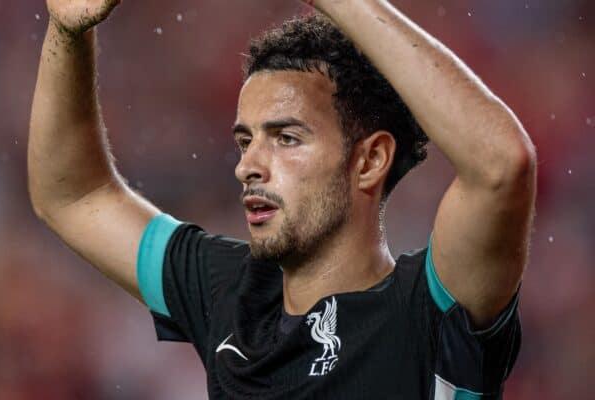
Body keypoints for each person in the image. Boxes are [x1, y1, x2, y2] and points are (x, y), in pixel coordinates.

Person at [28, 0, 536, 398]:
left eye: (286, 138)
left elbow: (500, 166)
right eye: (245, 140)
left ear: (369, 161)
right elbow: (73, 195)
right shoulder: (234, 293)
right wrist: (66, 33)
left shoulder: (429, 313)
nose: (247, 165)